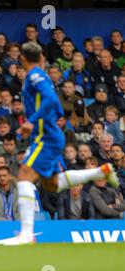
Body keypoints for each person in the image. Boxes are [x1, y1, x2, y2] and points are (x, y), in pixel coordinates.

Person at [11, 42, 119, 244]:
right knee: (51, 185)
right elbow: (56, 107)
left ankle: (26, 234)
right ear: (42, 58)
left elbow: (52, 100)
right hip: (48, 135)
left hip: (46, 137)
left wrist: (30, 122)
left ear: (23, 59)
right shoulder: (40, 75)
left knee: (24, 176)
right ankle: (99, 172)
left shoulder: (34, 75)